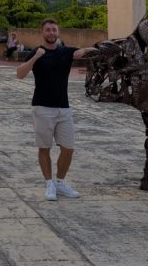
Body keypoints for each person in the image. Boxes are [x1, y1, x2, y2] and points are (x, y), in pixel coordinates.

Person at [15, 18, 96, 201]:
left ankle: (60, 183)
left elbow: (95, 51)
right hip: (42, 107)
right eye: (48, 30)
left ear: (58, 32)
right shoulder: (36, 52)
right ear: (42, 33)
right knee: (44, 148)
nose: (51, 33)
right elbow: (19, 74)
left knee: (68, 148)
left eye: (54, 30)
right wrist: (35, 58)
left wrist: (85, 50)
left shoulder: (66, 52)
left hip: (63, 108)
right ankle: (49, 184)